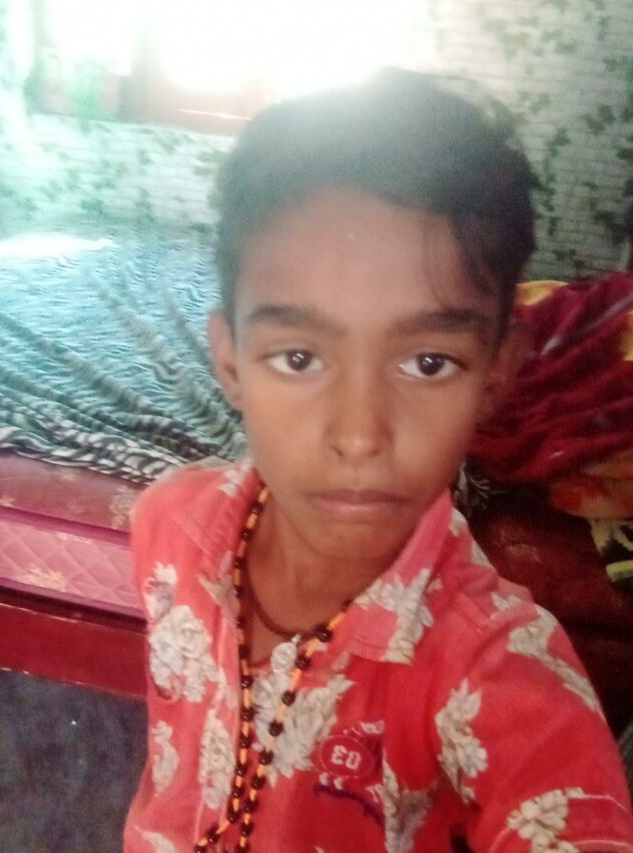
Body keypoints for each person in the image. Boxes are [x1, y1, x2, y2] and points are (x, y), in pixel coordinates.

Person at [124, 69, 633, 852]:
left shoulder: (493, 667)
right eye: (299, 357)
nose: (359, 436)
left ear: (498, 372)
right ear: (229, 362)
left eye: (427, 362)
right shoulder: (167, 525)